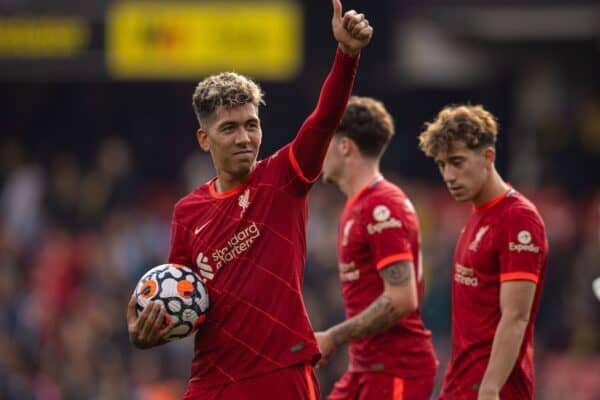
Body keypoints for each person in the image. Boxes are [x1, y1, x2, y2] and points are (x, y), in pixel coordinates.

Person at [125, 1, 373, 399]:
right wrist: (147, 333)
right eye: (229, 128)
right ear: (204, 139)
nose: (244, 138)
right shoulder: (188, 212)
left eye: (251, 125)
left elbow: (324, 119)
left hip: (281, 371)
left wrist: (346, 55)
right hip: (212, 379)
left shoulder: (284, 178)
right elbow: (183, 305)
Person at [418, 104, 549, 400]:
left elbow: (516, 316)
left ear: (488, 156)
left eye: (457, 162)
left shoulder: (518, 219)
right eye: (442, 165)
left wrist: (490, 389)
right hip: (460, 385)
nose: (448, 175)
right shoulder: (478, 214)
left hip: (493, 391)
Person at [315, 96, 439, 399]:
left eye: (325, 141)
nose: (319, 152)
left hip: (396, 370)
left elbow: (402, 298)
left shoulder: (381, 205)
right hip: (366, 368)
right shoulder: (357, 206)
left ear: (345, 147)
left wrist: (333, 336)